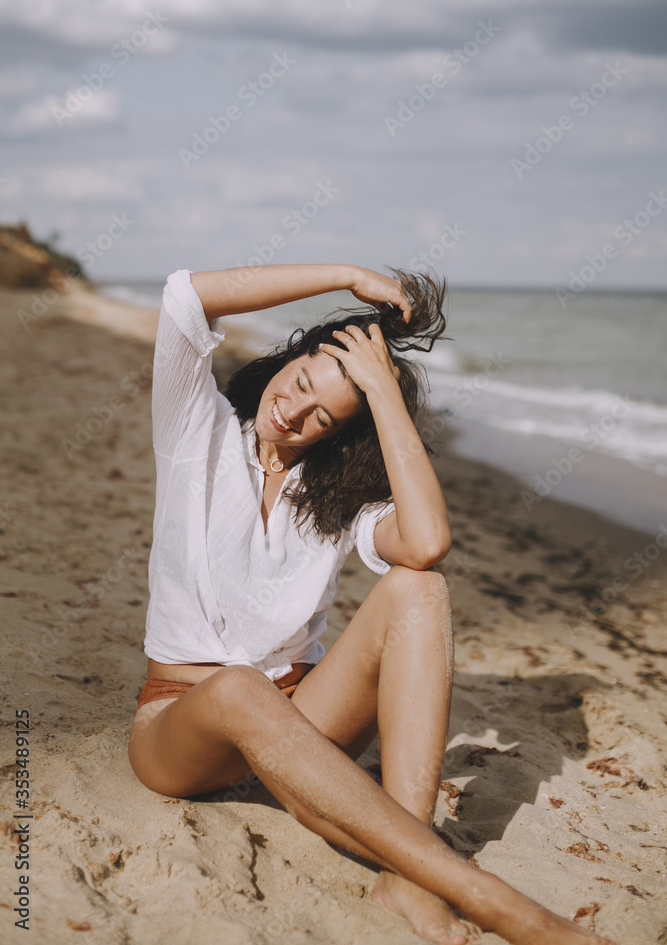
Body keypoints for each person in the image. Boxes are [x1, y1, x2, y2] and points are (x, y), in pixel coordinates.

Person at [128, 262, 617, 945]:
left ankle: (407, 879)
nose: (293, 410)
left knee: (419, 588)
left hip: (302, 718)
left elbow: (426, 543)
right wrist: (346, 275)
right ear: (287, 357)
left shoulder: (328, 498)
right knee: (240, 688)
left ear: (337, 433)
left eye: (321, 414)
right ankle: (494, 902)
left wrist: (384, 394)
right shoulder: (195, 429)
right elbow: (187, 295)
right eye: (299, 382)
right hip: (185, 726)